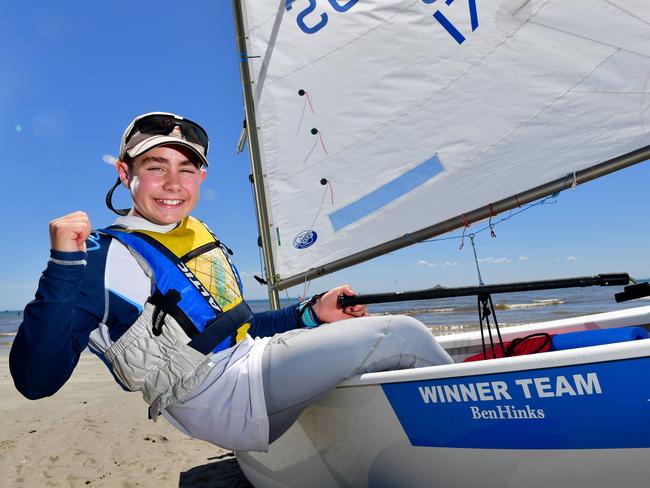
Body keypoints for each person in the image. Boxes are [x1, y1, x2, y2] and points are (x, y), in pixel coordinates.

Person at [10, 112, 453, 452]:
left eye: (187, 169)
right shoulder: (100, 259)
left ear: (201, 177)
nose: (172, 183)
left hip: (247, 363)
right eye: (155, 166)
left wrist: (310, 314)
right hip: (219, 397)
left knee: (362, 340)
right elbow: (35, 382)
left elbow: (238, 330)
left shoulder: (195, 234)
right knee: (402, 333)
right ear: (126, 175)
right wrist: (63, 266)